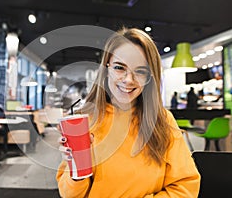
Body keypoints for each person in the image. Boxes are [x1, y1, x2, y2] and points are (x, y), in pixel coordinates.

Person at [56, 28, 200, 197]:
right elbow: (69, 194)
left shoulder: (162, 120)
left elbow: (186, 186)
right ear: (106, 68)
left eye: (140, 71)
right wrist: (76, 169)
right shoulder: (84, 120)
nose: (128, 80)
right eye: (119, 68)